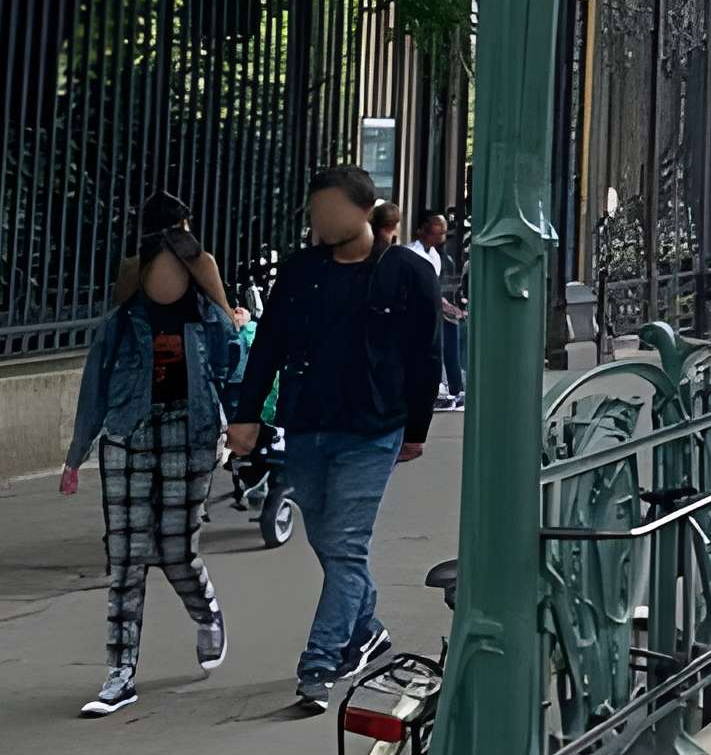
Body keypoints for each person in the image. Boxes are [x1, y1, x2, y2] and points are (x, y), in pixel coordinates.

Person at [228, 165, 442, 713]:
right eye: (314, 211)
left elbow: (425, 356)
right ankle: (366, 629)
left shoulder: (408, 273)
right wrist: (246, 414)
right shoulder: (301, 271)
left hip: (373, 429)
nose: (319, 220)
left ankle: (319, 664)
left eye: (329, 210)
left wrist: (416, 428)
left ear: (363, 209)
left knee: (345, 545)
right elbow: (269, 343)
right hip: (306, 425)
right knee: (328, 544)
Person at [62, 218, 238, 716]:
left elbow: (234, 366)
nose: (165, 281)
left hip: (193, 433)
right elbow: (92, 387)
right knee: (127, 554)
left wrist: (240, 427)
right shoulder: (121, 323)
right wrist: (76, 454)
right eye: (155, 271)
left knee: (177, 550)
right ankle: (120, 675)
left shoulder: (209, 318)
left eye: (175, 271)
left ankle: (207, 614)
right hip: (127, 434)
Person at [408, 210, 465, 408]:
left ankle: (448, 387)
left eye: (444, 231)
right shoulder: (414, 253)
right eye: (437, 230)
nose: (442, 235)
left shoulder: (435, 256)